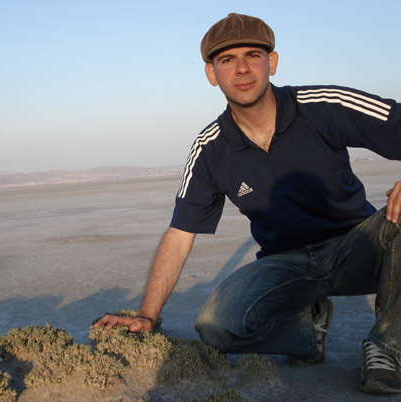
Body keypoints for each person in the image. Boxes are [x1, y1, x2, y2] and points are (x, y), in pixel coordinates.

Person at [94, 13, 401, 394]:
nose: (242, 69)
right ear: (211, 73)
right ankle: (307, 327)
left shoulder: (322, 105)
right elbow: (180, 234)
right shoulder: (211, 148)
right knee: (216, 327)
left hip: (359, 247)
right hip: (286, 264)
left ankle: (387, 348)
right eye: (227, 60)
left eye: (252, 55)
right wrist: (147, 315)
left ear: (272, 61)